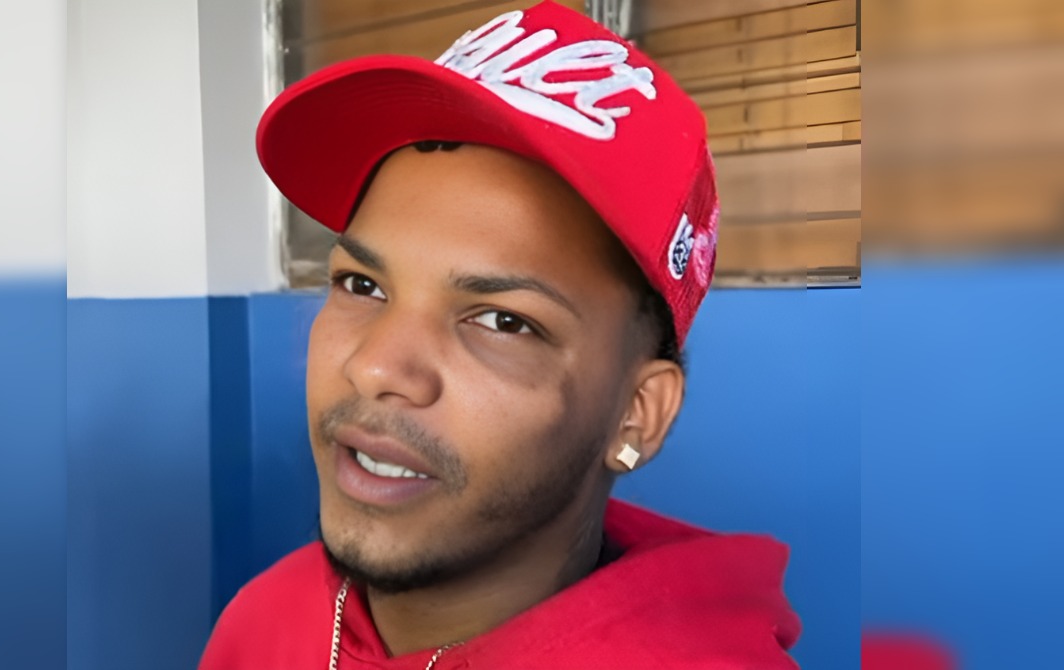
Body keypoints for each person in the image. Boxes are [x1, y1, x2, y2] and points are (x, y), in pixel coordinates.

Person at [200, 2, 800, 668]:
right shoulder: (265, 620)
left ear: (636, 414)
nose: (376, 368)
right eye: (362, 285)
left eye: (503, 321)